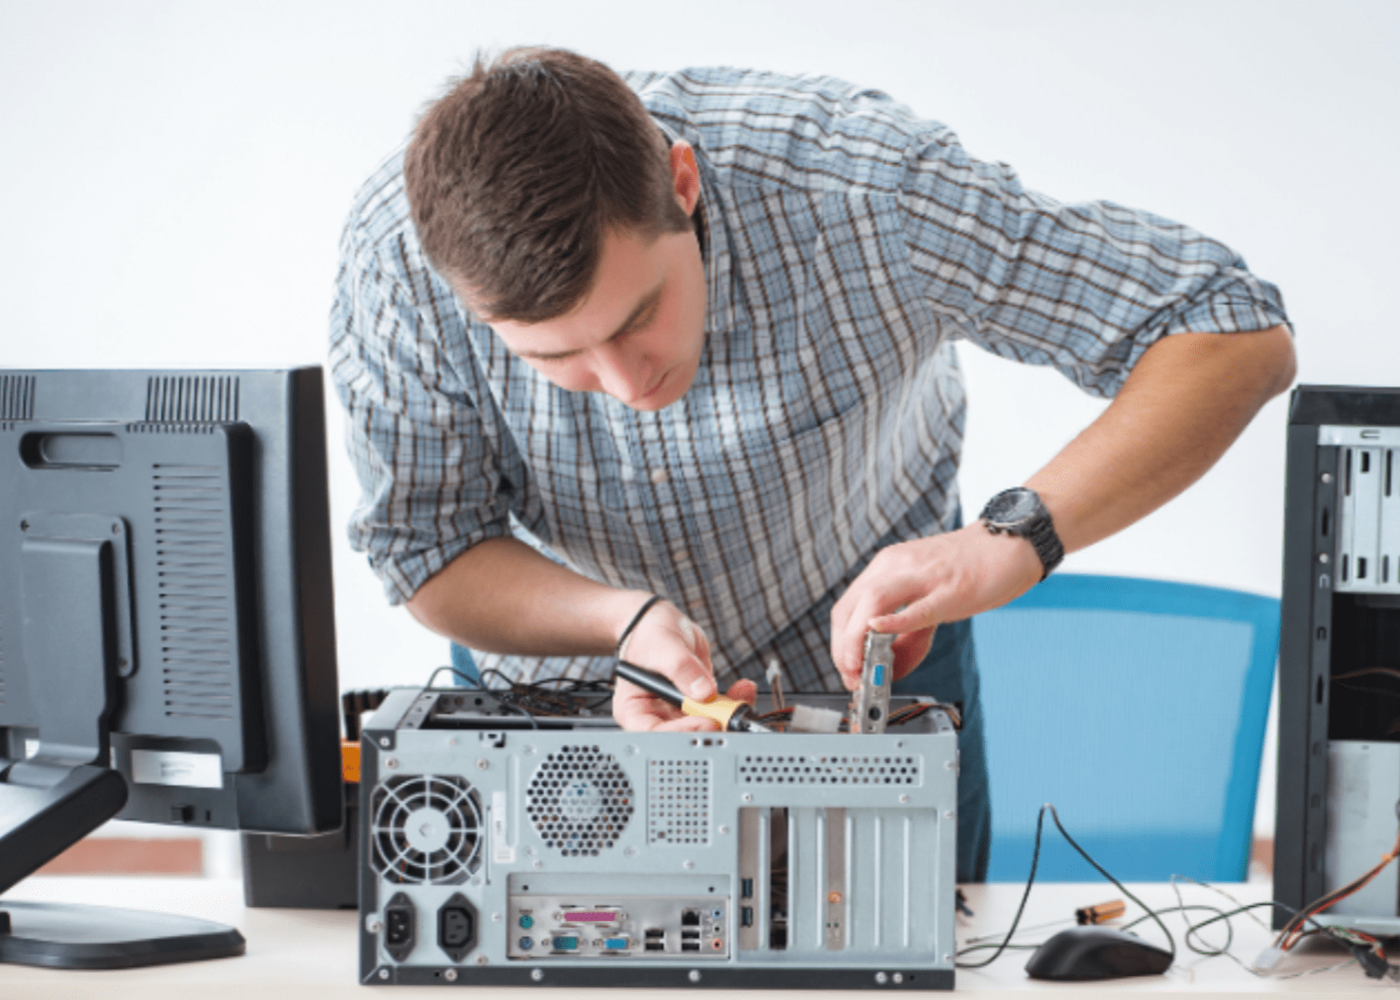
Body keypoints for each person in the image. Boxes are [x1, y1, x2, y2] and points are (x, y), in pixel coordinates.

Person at [329, 48, 1295, 882]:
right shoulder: (397, 267)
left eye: (636, 319)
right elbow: (429, 551)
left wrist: (1017, 538)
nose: (622, 382)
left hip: (871, 686)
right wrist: (623, 623)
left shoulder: (863, 186)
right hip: (570, 713)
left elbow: (1228, 327)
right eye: (553, 358)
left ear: (682, 182)